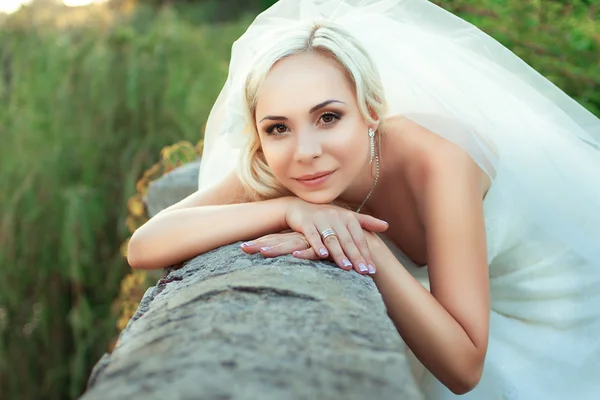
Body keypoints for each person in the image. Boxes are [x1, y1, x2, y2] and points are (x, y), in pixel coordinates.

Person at [126, 0, 600, 398]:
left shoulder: (440, 160)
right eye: (278, 127)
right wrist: (287, 208)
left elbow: (464, 367)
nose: (306, 152)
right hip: (456, 315)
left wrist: (368, 248)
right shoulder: (284, 168)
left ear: (371, 111)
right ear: (260, 135)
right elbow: (145, 246)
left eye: (328, 117)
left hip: (565, 299)